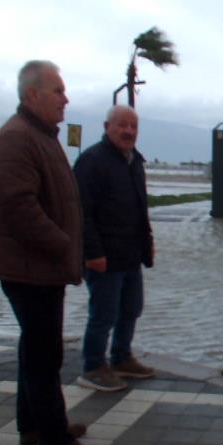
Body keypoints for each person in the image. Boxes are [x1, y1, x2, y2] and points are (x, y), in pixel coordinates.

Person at [0, 60, 105, 445]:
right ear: (33, 94)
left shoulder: (40, 135)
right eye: (58, 91)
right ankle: (53, 441)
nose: (65, 98)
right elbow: (19, 208)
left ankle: (34, 424)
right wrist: (63, 245)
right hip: (30, 268)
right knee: (44, 354)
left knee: (35, 349)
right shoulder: (17, 139)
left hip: (39, 266)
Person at [74, 105, 155, 392]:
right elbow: (81, 213)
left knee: (131, 308)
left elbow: (139, 209)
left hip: (130, 254)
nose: (129, 131)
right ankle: (93, 366)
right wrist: (92, 253)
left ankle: (121, 357)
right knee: (103, 314)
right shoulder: (92, 161)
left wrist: (147, 246)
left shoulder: (134, 162)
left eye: (133, 126)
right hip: (103, 257)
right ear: (107, 126)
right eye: (122, 125)